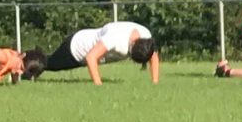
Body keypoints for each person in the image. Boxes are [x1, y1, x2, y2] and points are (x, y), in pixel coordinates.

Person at [27, 21, 161, 84]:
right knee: (49, 64)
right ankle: (20, 64)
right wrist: (98, 85)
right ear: (132, 46)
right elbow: (91, 57)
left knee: (49, 62)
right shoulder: (115, 38)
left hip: (86, 51)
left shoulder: (145, 36)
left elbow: (153, 56)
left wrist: (155, 82)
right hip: (76, 48)